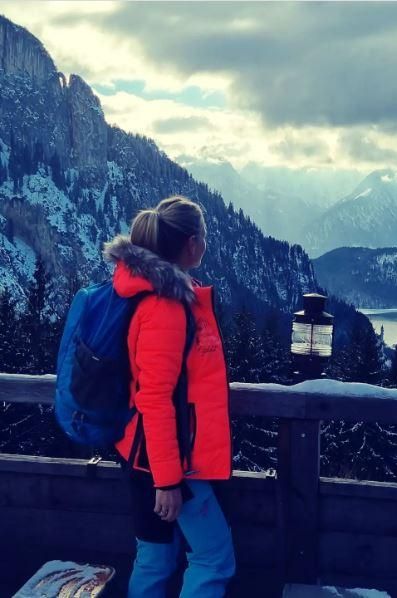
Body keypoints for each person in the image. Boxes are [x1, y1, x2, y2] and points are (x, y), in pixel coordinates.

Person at [102, 195, 236, 597]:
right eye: (205, 237)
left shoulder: (146, 291)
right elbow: (156, 397)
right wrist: (168, 480)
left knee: (156, 556)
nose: (207, 244)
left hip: (140, 452)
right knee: (214, 558)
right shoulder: (165, 306)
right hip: (169, 460)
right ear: (192, 243)